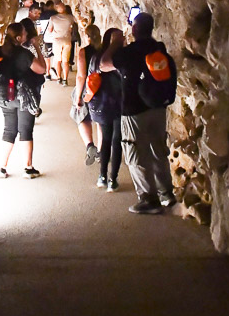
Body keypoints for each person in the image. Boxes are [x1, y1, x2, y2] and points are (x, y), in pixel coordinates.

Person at [101, 13, 175, 214]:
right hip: (158, 108)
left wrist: (116, 42)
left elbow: (104, 64)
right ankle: (166, 193)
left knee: (135, 153)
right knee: (158, 150)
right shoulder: (158, 48)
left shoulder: (130, 52)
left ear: (134, 30)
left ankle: (148, 199)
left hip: (134, 110)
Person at [0, 22, 47, 178]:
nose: (26, 35)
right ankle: (28, 168)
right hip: (23, 95)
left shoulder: (0, 51)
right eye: (24, 33)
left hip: (5, 95)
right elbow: (42, 69)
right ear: (18, 37)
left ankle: (2, 167)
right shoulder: (23, 53)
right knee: (25, 130)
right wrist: (37, 47)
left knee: (9, 130)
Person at [88, 27, 124, 192]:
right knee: (117, 141)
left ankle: (102, 176)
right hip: (119, 103)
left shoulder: (96, 57)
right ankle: (112, 179)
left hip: (101, 104)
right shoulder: (119, 59)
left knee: (106, 141)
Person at [71, 25, 102, 167]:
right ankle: (101, 152)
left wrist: (78, 97)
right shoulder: (105, 51)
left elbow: (81, 76)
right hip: (102, 88)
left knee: (82, 116)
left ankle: (90, 145)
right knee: (101, 121)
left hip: (87, 89)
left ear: (87, 37)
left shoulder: (84, 52)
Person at [44, 3, 77, 85]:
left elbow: (49, 30)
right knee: (65, 61)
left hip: (57, 40)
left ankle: (59, 78)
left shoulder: (53, 18)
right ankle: (65, 79)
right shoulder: (70, 17)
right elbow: (72, 26)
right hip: (67, 40)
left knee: (58, 60)